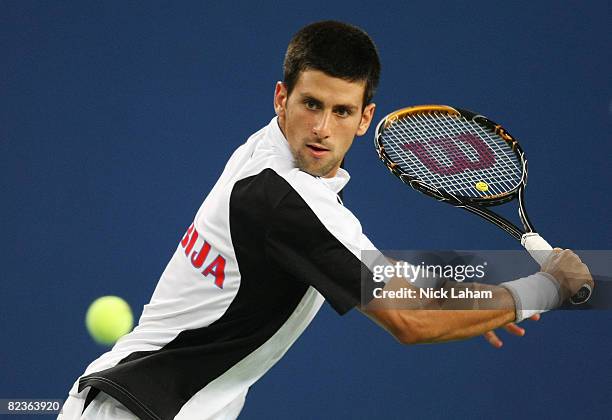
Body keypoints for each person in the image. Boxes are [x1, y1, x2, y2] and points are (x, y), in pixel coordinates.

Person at [58, 20, 593, 420]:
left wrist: (475, 304)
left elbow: (391, 280)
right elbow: (410, 321)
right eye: (310, 104)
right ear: (281, 99)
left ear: (364, 119)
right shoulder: (284, 202)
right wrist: (545, 288)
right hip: (138, 409)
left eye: (340, 112)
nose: (320, 127)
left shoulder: (268, 158)